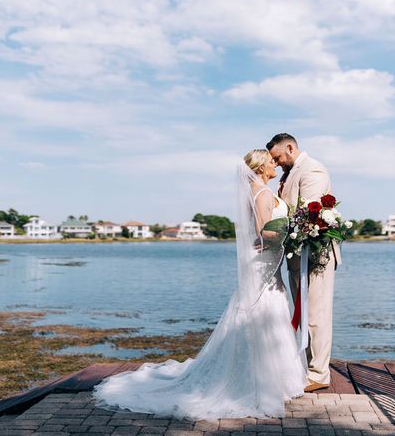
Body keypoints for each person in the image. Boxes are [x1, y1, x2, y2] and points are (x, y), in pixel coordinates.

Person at [92, 149, 306, 419]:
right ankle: (263, 381)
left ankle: (271, 377)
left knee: (262, 312)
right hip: (263, 260)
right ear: (262, 166)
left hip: (263, 262)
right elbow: (265, 231)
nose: (275, 165)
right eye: (271, 162)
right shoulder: (262, 192)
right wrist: (295, 233)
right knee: (265, 310)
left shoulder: (255, 190)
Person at [267, 133, 340, 393]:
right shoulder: (291, 172)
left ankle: (320, 373)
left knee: (316, 315)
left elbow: (308, 214)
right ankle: (309, 367)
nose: (276, 164)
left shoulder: (313, 169)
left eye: (278, 158)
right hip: (297, 254)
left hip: (315, 254)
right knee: (304, 313)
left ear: (290, 147)